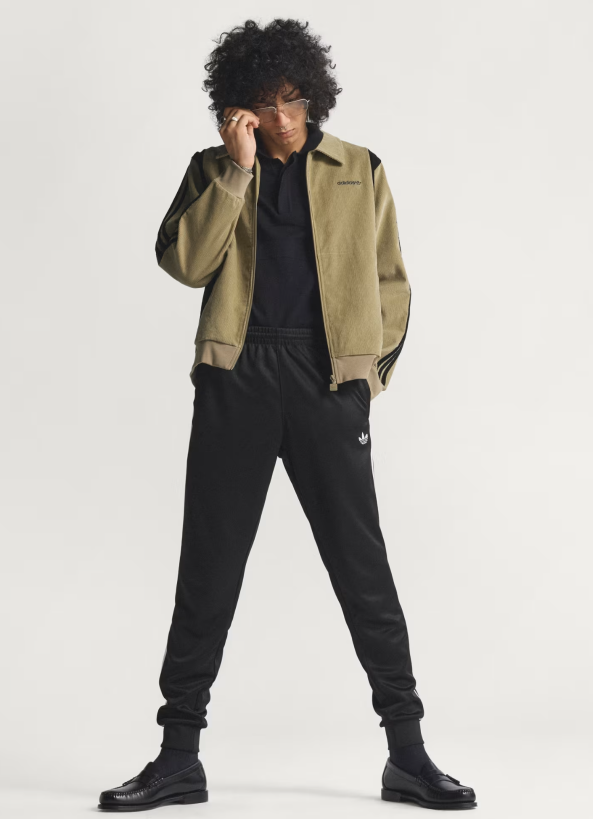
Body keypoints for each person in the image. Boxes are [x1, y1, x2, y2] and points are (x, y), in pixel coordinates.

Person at [98, 18, 477, 812]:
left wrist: (365, 377)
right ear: (235, 108)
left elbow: (392, 281)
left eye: (292, 100)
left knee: (361, 569)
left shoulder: (358, 168)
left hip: (326, 378)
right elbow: (185, 263)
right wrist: (237, 174)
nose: (280, 118)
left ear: (313, 96)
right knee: (208, 569)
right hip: (236, 375)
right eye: (263, 104)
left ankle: (407, 755)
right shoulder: (211, 169)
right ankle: (177, 757)